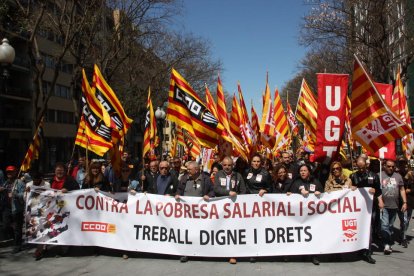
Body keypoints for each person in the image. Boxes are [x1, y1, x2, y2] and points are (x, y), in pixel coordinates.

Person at [175, 161, 214, 263]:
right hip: (186, 212)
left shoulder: (206, 179)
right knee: (187, 233)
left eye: (189, 169)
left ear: (196, 170)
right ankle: (185, 253)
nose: (187, 171)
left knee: (200, 233)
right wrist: (178, 195)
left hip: (200, 213)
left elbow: (212, 191)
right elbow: (179, 190)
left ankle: (200, 252)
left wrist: (208, 196)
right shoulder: (184, 178)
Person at [213, 156, 246, 264]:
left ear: (233, 165)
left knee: (233, 230)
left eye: (229, 165)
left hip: (235, 208)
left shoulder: (238, 176)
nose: (227, 167)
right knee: (222, 229)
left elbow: (243, 191)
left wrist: (237, 197)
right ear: (222, 165)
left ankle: (233, 254)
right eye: (225, 165)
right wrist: (228, 193)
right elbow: (216, 189)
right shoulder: (218, 174)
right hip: (221, 207)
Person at [350, 157, 382, 264]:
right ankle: (359, 249)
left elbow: (379, 190)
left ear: (366, 165)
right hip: (358, 208)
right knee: (358, 228)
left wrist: (375, 191)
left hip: (370, 207)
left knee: (369, 229)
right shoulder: (353, 175)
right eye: (358, 167)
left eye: (362, 166)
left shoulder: (373, 175)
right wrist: (352, 188)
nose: (360, 169)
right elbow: (349, 190)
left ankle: (368, 252)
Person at [290, 164, 323, 265]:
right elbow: (291, 196)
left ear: (309, 171)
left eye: (305, 170)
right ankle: (303, 253)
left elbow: (323, 193)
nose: (303, 172)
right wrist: (294, 194)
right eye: (301, 171)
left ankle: (314, 255)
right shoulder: (296, 183)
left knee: (314, 234)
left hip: (313, 215)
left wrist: (319, 193)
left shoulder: (315, 181)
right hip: (300, 215)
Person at [378, 159, 407, 255]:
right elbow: (376, 190)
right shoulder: (379, 175)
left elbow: (402, 189)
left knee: (390, 226)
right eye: (389, 166)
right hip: (384, 206)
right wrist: (379, 201)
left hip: (394, 206)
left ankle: (388, 242)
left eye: (392, 166)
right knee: (384, 225)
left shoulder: (398, 176)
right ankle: (387, 244)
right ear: (384, 166)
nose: (391, 168)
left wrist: (405, 202)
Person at [1, 166, 26, 253]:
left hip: (17, 208)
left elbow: (24, 195)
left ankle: (17, 245)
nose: (9, 174)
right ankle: (16, 239)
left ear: (15, 172)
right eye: (8, 172)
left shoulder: (19, 183)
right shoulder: (6, 183)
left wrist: (15, 194)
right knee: (5, 226)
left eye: (11, 172)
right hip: (7, 208)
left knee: (17, 228)